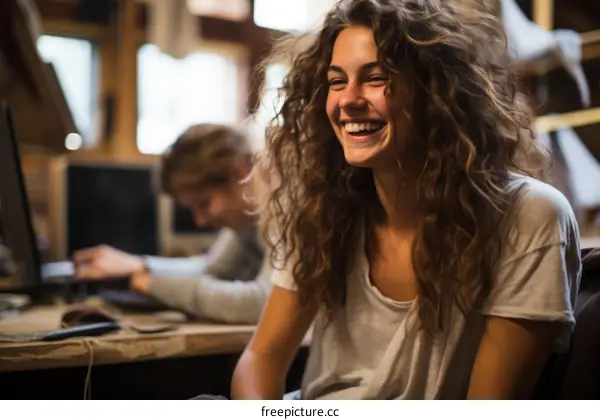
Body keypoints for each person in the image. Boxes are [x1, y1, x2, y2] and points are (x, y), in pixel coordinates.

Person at [231, 0, 582, 399]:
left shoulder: (529, 214)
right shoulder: (324, 209)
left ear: (438, 92)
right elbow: (261, 357)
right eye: (336, 80)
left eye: (376, 77)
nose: (348, 100)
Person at [72, 124, 271, 325]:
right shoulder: (246, 218)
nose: (200, 221)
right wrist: (140, 265)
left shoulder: (278, 205)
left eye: (204, 203)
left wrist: (153, 284)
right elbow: (213, 269)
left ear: (239, 174)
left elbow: (261, 303)